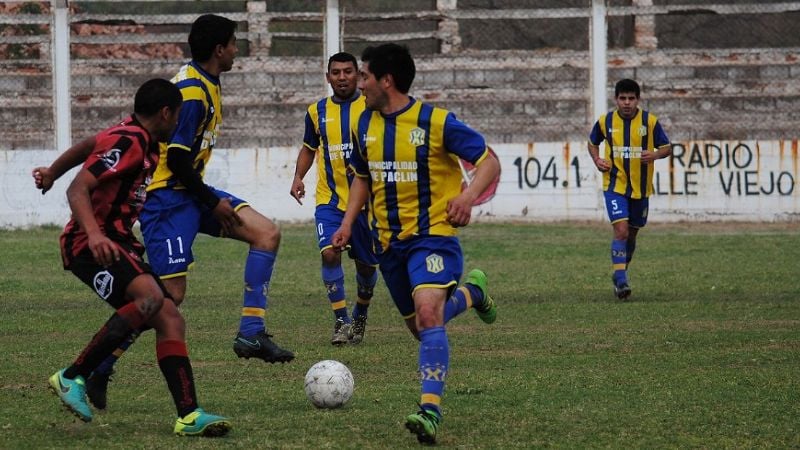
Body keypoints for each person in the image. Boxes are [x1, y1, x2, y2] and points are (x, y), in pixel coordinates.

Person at [39, 78, 231, 436]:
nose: (176, 126)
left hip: (118, 242)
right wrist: (94, 234)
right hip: (89, 244)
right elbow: (78, 188)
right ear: (165, 112)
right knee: (152, 297)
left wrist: (51, 170)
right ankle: (73, 375)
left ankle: (189, 415)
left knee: (169, 315)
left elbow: (89, 146)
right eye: (176, 118)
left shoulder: (131, 136)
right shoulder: (131, 141)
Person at [331, 43, 500, 444]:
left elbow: (489, 160)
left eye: (365, 76)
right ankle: (472, 294)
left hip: (433, 238)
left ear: (386, 80)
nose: (359, 82)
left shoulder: (435, 121)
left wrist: (466, 196)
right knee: (423, 327)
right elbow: (362, 177)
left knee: (428, 317)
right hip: (388, 244)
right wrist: (346, 223)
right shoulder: (364, 124)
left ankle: (429, 410)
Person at [289, 52, 379, 346]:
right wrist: (298, 176)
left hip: (366, 204)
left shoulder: (370, 107)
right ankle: (341, 321)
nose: (342, 77)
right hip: (329, 201)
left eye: (348, 72)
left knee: (366, 267)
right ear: (327, 77)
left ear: (358, 75)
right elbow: (308, 147)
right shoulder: (316, 111)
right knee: (329, 253)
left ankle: (361, 313)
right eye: (336, 72)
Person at [587, 78, 672, 300]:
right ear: (616, 99)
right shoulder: (605, 121)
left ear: (638, 100)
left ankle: (620, 272)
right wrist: (597, 160)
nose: (626, 103)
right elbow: (592, 142)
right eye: (622, 98)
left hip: (641, 189)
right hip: (615, 185)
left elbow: (666, 147)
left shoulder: (650, 122)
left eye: (631, 98)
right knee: (621, 231)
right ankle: (621, 279)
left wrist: (654, 155)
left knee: (631, 236)